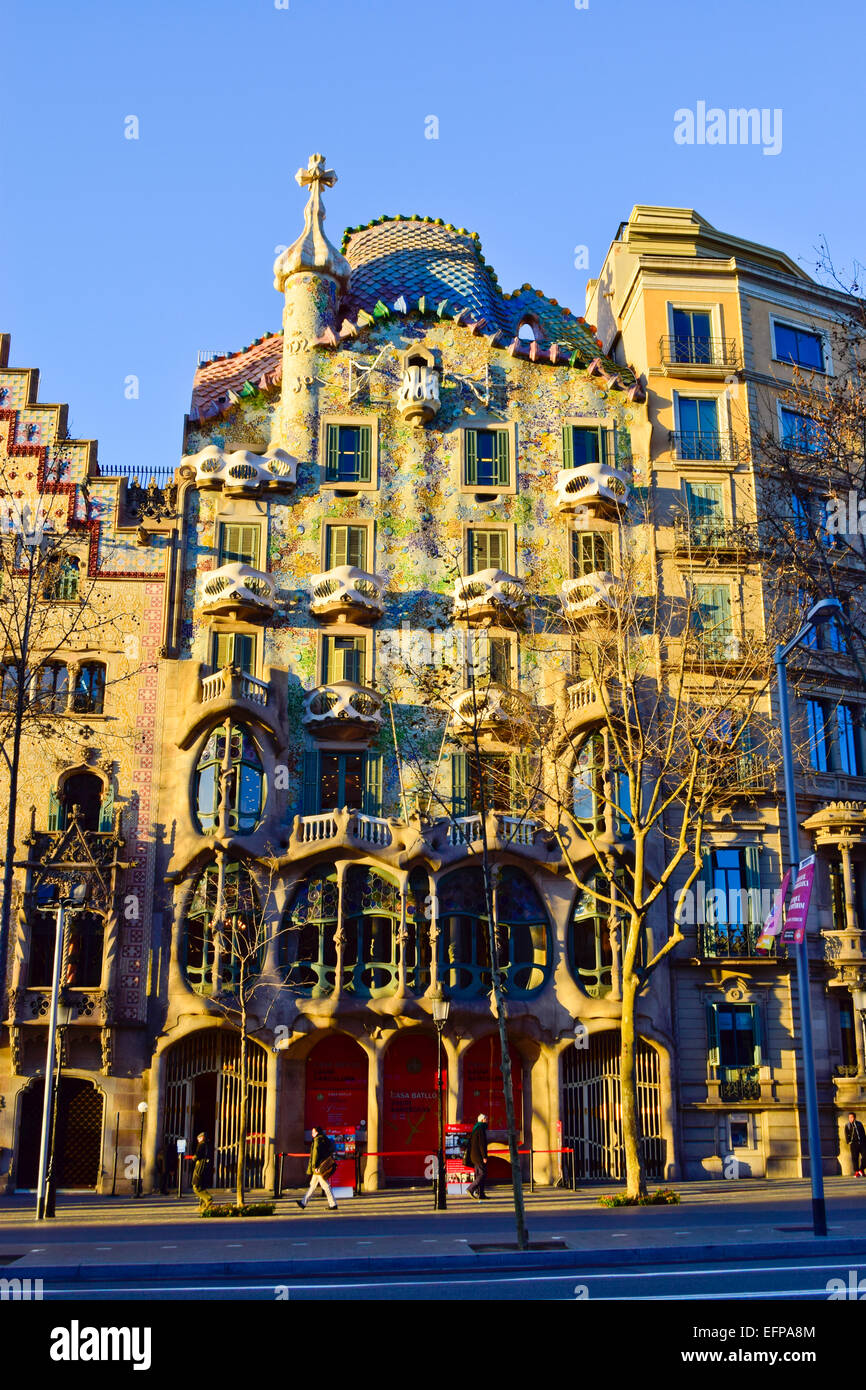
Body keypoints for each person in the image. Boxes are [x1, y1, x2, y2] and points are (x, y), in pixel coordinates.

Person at [296, 1126, 339, 1211]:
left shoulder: (317, 1140)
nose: (312, 1134)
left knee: (325, 1186)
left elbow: (315, 1154)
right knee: (313, 1185)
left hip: (318, 1167)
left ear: (317, 1132)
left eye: (313, 1132)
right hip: (321, 1165)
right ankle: (303, 1203)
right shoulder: (324, 1139)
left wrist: (314, 1166)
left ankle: (333, 1204)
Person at [467, 1113, 489, 1200]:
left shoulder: (475, 1128)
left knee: (478, 1174)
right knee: (482, 1174)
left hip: (474, 1155)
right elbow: (482, 1144)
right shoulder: (481, 1129)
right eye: (486, 1119)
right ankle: (471, 1188)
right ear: (482, 1120)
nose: (487, 1121)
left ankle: (481, 1194)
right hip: (479, 1156)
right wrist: (484, 1156)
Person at [191, 1131, 213, 1209]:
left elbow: (197, 1156)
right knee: (202, 1186)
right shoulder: (208, 1145)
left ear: (202, 1137)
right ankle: (203, 1206)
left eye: (199, 1138)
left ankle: (208, 1198)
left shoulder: (201, 1145)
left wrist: (193, 1158)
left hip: (200, 1166)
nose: (198, 1140)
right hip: (206, 1167)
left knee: (196, 1186)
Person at [845, 1112, 866, 1176]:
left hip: (862, 1143)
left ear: (854, 1117)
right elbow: (846, 1134)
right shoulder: (847, 1125)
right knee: (855, 1158)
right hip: (854, 1144)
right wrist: (849, 1142)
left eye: (852, 1117)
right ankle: (857, 1171)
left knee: (865, 1156)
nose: (850, 1119)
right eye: (849, 1117)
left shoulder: (859, 1124)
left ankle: (861, 1169)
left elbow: (863, 1132)